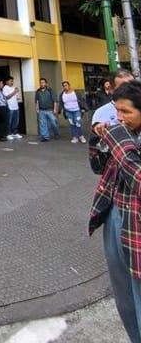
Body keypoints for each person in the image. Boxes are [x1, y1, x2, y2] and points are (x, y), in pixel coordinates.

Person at [89, 80, 141, 343]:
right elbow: (99, 168)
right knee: (124, 296)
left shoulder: (124, 137)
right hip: (116, 215)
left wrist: (118, 139)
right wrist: (97, 139)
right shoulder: (124, 133)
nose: (119, 118)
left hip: (137, 227)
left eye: (126, 112)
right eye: (117, 111)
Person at [34, 77, 59, 142]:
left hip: (50, 110)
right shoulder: (38, 91)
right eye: (40, 83)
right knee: (43, 124)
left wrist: (55, 109)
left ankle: (56, 133)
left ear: (46, 83)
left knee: (54, 122)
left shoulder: (50, 90)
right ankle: (45, 137)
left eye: (43, 82)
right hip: (41, 110)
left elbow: (55, 100)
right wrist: (37, 109)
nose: (41, 84)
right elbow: (36, 101)